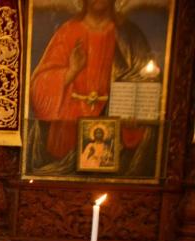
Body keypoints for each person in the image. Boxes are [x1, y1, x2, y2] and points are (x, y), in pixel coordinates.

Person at [28, 0, 155, 175]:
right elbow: (38, 88)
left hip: (117, 124)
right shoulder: (68, 32)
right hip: (69, 125)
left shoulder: (130, 35)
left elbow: (146, 81)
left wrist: (135, 112)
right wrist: (71, 71)